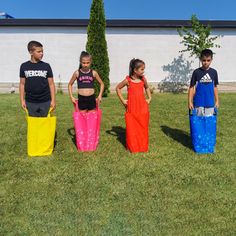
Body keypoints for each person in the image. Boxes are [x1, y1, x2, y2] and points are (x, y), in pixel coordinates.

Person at [116, 58, 151, 153]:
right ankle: (134, 147)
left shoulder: (143, 79)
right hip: (132, 107)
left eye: (144, 69)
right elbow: (118, 88)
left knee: (143, 126)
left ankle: (142, 146)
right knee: (132, 127)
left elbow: (147, 88)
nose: (144, 71)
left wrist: (149, 98)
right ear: (135, 70)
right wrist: (123, 100)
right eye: (142, 69)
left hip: (142, 107)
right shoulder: (128, 80)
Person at [19, 41, 56, 117]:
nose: (41, 53)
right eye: (39, 51)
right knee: (33, 124)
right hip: (30, 101)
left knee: (45, 124)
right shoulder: (24, 66)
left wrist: (53, 100)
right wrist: (22, 100)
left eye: (42, 51)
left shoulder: (46, 66)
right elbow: (22, 84)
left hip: (45, 101)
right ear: (31, 52)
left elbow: (51, 84)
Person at [188, 49, 219, 116]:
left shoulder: (214, 72)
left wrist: (217, 101)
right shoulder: (196, 72)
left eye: (208, 60)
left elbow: (215, 87)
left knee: (209, 123)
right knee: (198, 123)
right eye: (204, 60)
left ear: (211, 60)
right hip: (198, 103)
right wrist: (190, 102)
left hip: (210, 103)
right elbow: (191, 87)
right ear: (200, 59)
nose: (206, 62)